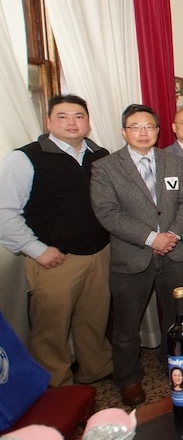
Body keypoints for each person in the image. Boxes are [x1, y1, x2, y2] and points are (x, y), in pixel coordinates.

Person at [0, 94, 112, 387]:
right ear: (48, 121)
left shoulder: (99, 155)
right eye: (62, 116)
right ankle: (56, 386)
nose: (71, 122)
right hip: (54, 259)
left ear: (88, 122)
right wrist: (37, 250)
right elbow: (5, 213)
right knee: (51, 330)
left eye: (78, 116)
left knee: (94, 321)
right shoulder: (25, 157)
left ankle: (95, 372)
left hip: (98, 253)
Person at [90, 104, 183, 406]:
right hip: (132, 257)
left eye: (149, 126)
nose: (143, 132)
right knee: (126, 326)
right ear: (124, 131)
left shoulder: (172, 163)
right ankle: (129, 379)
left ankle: (174, 366)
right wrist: (152, 238)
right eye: (135, 127)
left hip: (174, 254)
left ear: (158, 131)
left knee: (175, 319)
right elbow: (107, 213)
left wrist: (172, 236)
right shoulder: (106, 167)